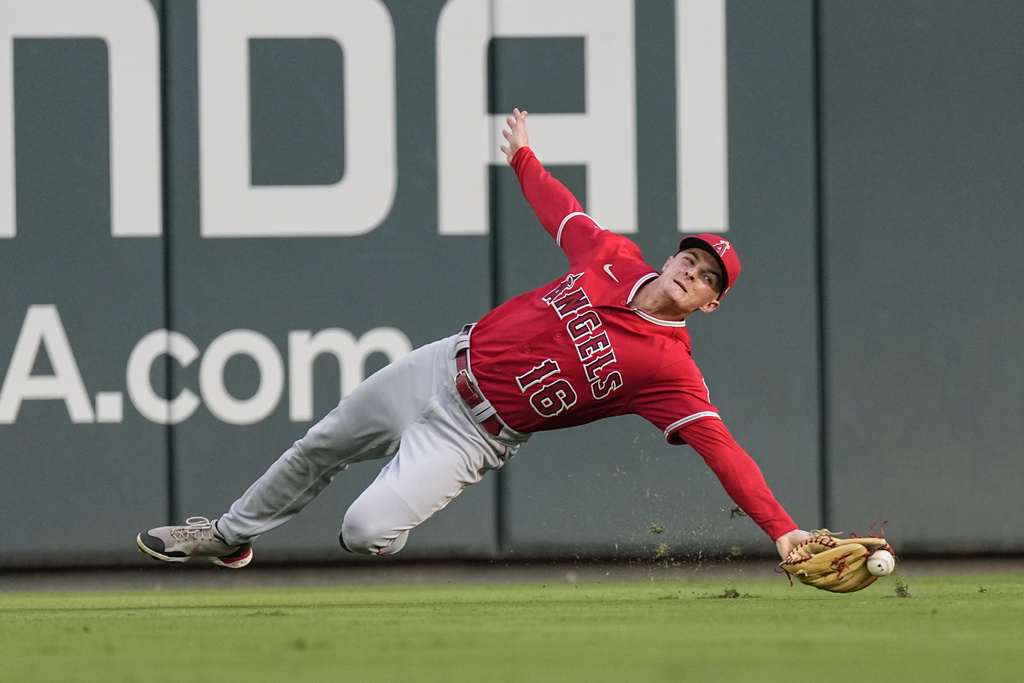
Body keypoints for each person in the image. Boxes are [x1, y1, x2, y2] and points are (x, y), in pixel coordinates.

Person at [137, 108, 812, 569]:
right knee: (319, 443)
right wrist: (523, 157)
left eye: (706, 278)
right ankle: (227, 535)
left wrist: (783, 531)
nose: (692, 272)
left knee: (363, 531)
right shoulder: (611, 257)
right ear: (674, 256)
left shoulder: (671, 370)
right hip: (439, 364)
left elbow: (725, 452)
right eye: (691, 258)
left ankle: (390, 502)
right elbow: (562, 210)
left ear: (711, 303)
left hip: (473, 435)